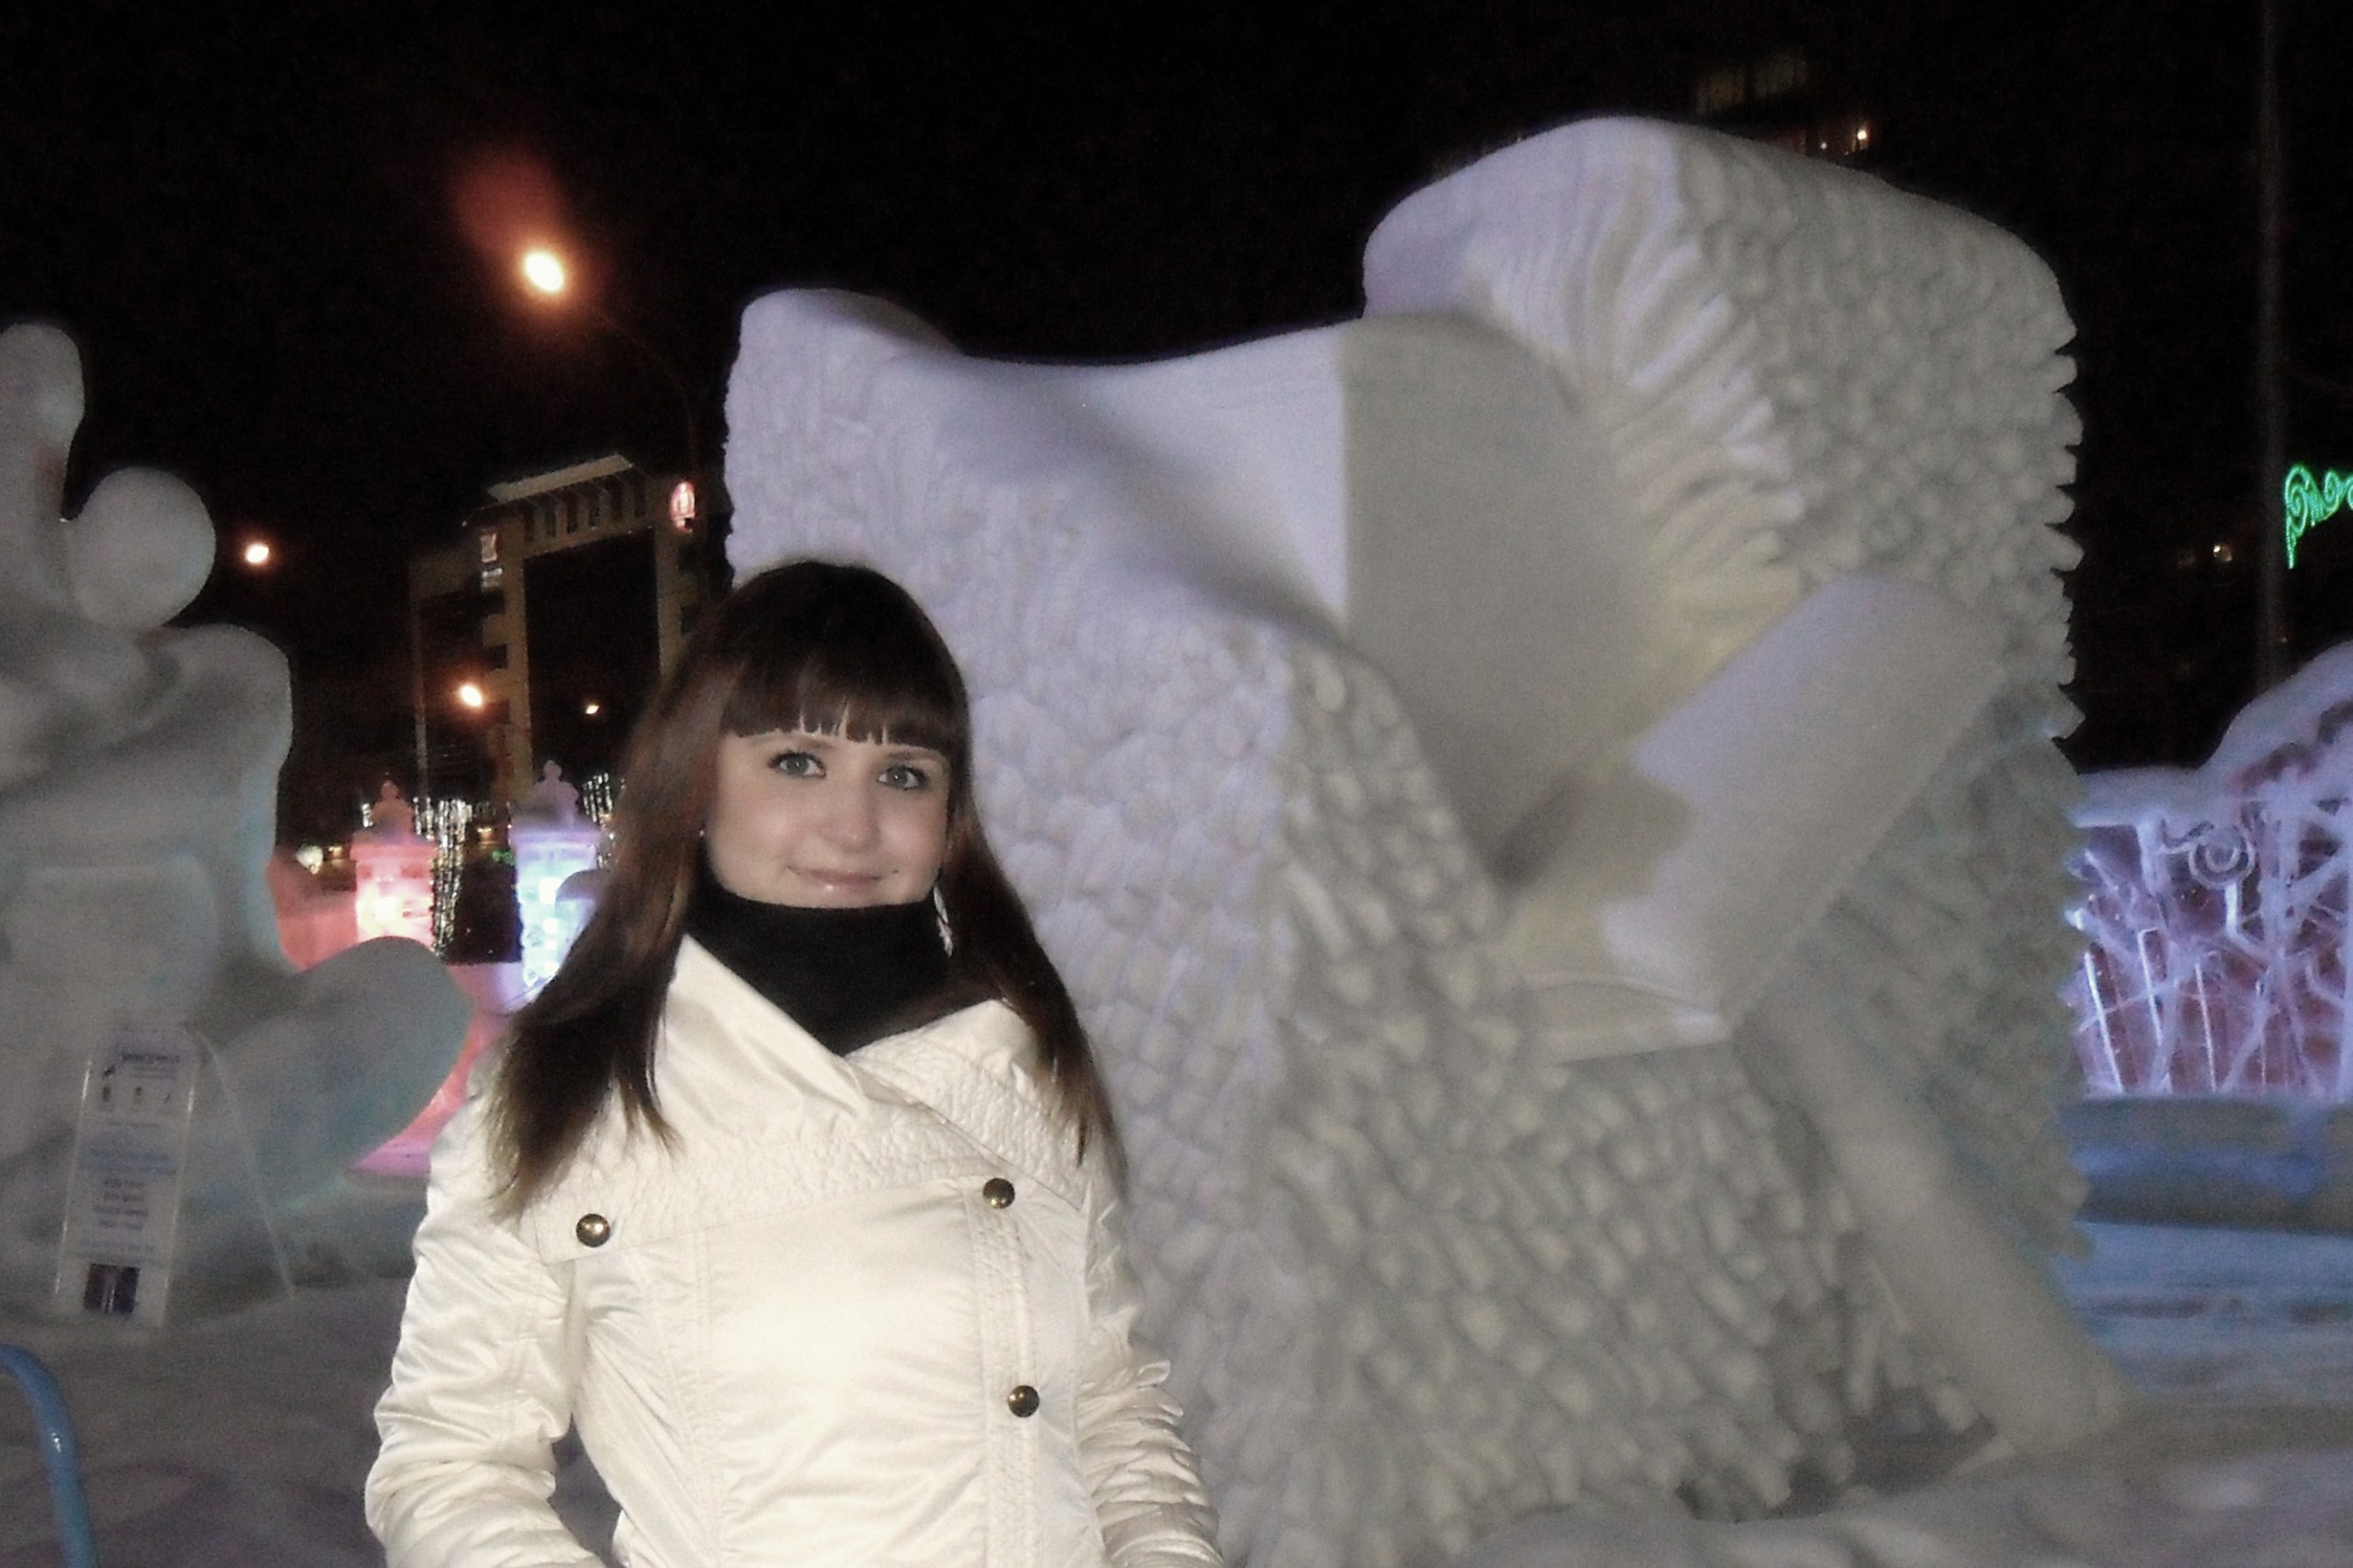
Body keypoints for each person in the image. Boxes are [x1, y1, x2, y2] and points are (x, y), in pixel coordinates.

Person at [367, 561, 1222, 1567]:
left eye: (902, 774)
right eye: (798, 761)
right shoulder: (573, 1090)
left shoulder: (1015, 1062)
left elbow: (1116, 1411)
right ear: (697, 781)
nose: (853, 828)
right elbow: (450, 1462)